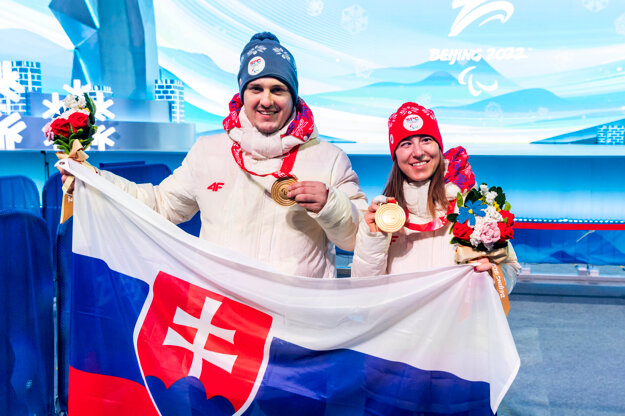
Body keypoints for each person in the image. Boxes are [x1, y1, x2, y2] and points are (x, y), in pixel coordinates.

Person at [61, 32, 368, 278]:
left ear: (293, 96)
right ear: (242, 93)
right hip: (223, 320)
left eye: (278, 89)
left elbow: (356, 239)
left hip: (298, 320)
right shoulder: (208, 151)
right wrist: (96, 182)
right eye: (256, 88)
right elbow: (161, 204)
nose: (266, 100)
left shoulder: (329, 158)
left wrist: (332, 205)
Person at [351, 102, 520, 285]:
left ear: (438, 147)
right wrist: (373, 237)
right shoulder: (385, 216)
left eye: (426, 140)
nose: (418, 152)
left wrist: (493, 273)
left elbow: (510, 270)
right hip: (405, 314)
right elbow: (364, 286)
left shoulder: (473, 206)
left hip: (457, 313)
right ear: (395, 155)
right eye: (406, 143)